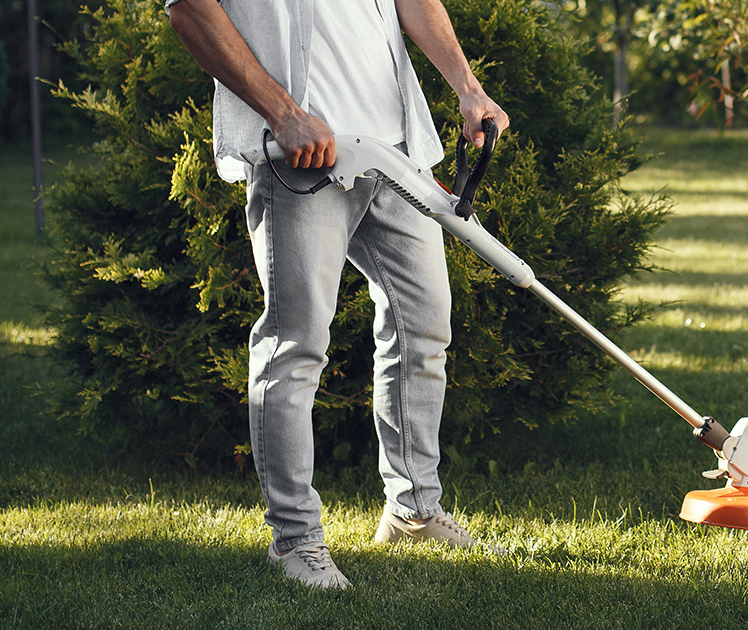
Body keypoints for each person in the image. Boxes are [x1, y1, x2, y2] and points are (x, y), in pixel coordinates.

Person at [166, 0, 511, 589]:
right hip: (303, 151)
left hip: (396, 150)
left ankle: (413, 510)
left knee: (424, 326)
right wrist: (282, 112)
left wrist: (467, 86)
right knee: (294, 347)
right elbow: (190, 10)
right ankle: (294, 539)